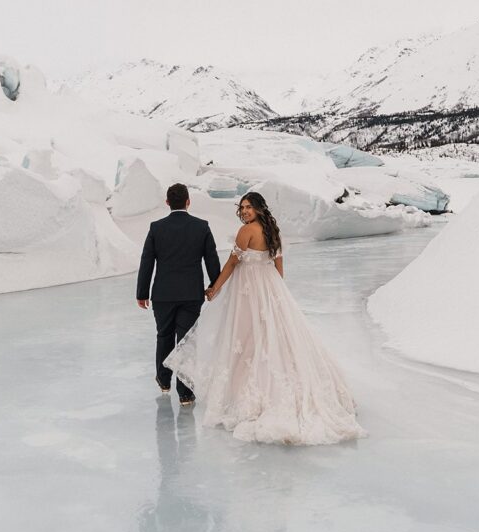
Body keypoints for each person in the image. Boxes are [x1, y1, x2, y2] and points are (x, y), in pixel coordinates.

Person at [164, 192, 366, 445]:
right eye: (243, 207)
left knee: (247, 339)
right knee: (269, 338)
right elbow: (278, 264)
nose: (245, 211)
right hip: (268, 286)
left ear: (259, 208)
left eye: (249, 207)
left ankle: (247, 395)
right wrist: (277, 292)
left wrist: (215, 288)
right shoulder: (273, 231)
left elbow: (231, 264)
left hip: (248, 289)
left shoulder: (246, 231)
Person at [136, 183, 221, 405]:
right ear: (188, 201)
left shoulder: (156, 228)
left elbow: (147, 262)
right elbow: (211, 259)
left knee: (164, 336)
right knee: (186, 341)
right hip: (191, 294)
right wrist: (215, 285)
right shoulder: (201, 227)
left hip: (162, 294)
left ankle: (163, 380)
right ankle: (185, 393)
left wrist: (142, 293)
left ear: (167, 202)